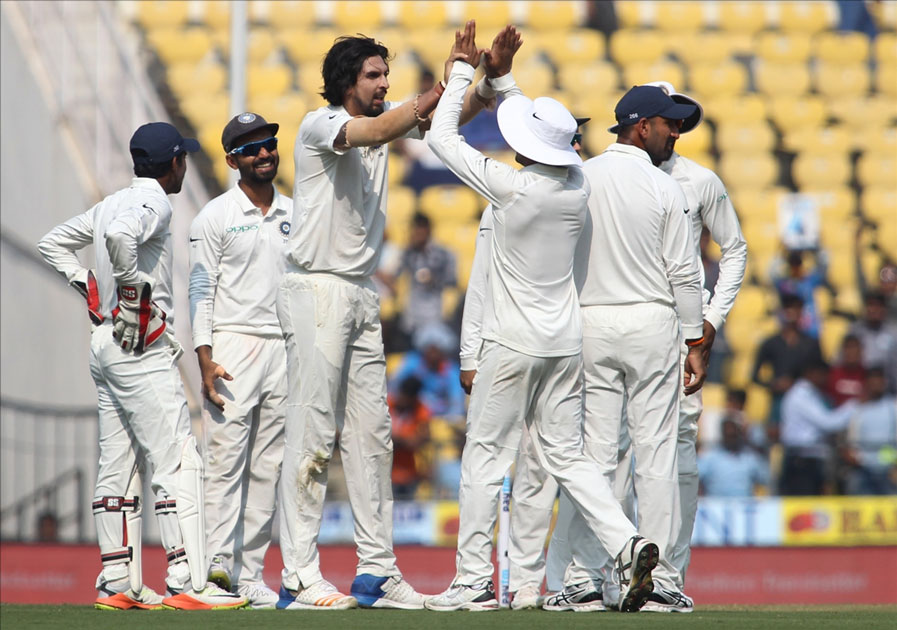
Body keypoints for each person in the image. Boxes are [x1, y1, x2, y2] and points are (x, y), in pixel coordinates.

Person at [425, 25, 661, 614]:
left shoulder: (513, 190)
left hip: (511, 343)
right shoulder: (577, 185)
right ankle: (627, 542)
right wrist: (502, 78)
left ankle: (475, 581)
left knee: (484, 459)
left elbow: (440, 136)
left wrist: (461, 70)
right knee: (569, 458)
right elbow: (540, 133)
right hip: (563, 344)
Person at [275, 24, 504, 610]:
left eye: (385, 75)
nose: (383, 84)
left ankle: (376, 572)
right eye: (373, 75)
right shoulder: (322, 125)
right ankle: (299, 575)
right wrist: (446, 78)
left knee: (373, 437)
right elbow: (383, 126)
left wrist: (481, 79)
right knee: (313, 432)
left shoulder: (381, 129)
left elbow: (441, 122)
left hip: (358, 292)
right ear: (345, 82)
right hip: (318, 289)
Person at [37, 123, 246, 611]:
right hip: (140, 347)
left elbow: (53, 243)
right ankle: (188, 581)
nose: (185, 166)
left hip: (105, 346)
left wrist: (87, 284)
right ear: (174, 163)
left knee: (117, 465)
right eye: (184, 159)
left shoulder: (112, 200)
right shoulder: (155, 203)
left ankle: (117, 581)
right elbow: (119, 237)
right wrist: (131, 292)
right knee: (177, 459)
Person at [543, 84, 705, 613]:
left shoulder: (581, 177)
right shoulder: (665, 188)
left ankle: (588, 579)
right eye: (668, 124)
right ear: (642, 127)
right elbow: (684, 272)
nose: (675, 133)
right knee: (655, 454)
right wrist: (694, 339)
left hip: (591, 324)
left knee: (596, 456)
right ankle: (660, 583)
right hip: (652, 321)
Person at [458, 119, 593, 610]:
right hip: (511, 345)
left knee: (541, 471)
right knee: (497, 461)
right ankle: (482, 579)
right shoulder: (508, 202)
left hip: (560, 347)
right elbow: (481, 279)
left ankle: (526, 585)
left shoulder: (578, 191)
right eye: (571, 137)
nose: (578, 146)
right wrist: (469, 352)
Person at [187, 113, 292, 609]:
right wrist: (204, 357)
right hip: (232, 345)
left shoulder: (296, 212)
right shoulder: (214, 216)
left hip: (283, 348)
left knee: (268, 467)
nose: (265, 154)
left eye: (269, 144)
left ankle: (250, 572)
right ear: (232, 161)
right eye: (252, 150)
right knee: (226, 462)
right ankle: (213, 567)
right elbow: (201, 290)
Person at [779, 360, 858, 495]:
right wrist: (856, 404)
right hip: (802, 461)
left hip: (810, 459)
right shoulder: (800, 395)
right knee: (804, 508)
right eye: (823, 375)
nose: (826, 379)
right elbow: (829, 423)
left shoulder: (813, 394)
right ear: (811, 373)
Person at [752, 293, 824, 432]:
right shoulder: (771, 343)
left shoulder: (811, 343)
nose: (792, 313)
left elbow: (822, 373)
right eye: (789, 308)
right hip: (779, 400)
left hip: (805, 399)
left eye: (797, 309)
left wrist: (796, 383)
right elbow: (755, 376)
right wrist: (773, 384)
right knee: (775, 434)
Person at [393, 212, 458, 342]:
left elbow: (452, 281)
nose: (416, 233)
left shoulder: (443, 253)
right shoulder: (407, 253)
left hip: (435, 315)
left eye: (419, 228)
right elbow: (395, 274)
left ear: (427, 230)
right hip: (410, 317)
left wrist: (434, 279)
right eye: (414, 229)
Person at [390, 322, 465, 421]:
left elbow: (457, 402)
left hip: (439, 419)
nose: (433, 354)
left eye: (437, 350)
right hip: (412, 415)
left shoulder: (452, 370)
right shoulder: (412, 362)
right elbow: (395, 387)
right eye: (430, 349)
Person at [842, 367, 897, 495]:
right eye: (873, 382)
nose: (876, 386)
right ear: (866, 384)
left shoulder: (892, 407)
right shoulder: (858, 409)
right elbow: (851, 440)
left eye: (879, 382)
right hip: (863, 468)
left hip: (889, 468)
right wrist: (852, 455)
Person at [697, 419, 770, 497]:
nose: (731, 439)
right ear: (723, 435)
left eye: (733, 435)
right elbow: (695, 478)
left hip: (744, 505)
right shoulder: (709, 456)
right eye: (728, 435)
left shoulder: (750, 457)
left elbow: (765, 479)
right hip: (716, 506)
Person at [388, 376, 432, 500]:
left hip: (407, 474)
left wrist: (394, 439)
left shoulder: (420, 409)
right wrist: (404, 440)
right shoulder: (387, 404)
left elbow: (420, 440)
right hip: (383, 472)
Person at [847, 291, 897, 394]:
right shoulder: (855, 331)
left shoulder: (893, 333)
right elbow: (841, 361)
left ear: (885, 309)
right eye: (871, 305)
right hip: (859, 389)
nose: (874, 310)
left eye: (878, 306)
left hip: (886, 390)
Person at [828, 334, 866, 406]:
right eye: (848, 347)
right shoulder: (832, 374)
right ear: (843, 350)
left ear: (861, 350)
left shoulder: (866, 375)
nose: (851, 351)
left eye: (854, 347)